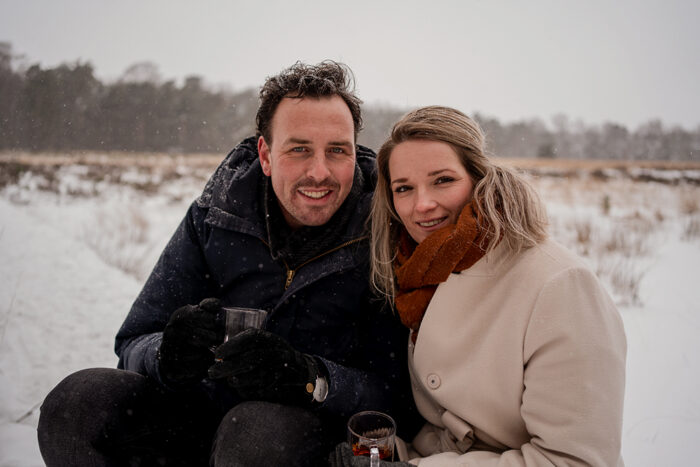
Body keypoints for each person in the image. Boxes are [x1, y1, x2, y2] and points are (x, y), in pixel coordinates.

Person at [37, 61, 420, 467]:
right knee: (76, 404)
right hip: (192, 419)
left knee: (257, 433)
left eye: (337, 150)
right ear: (266, 155)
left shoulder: (383, 234)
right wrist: (167, 355)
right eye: (299, 149)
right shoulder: (216, 216)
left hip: (304, 437)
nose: (320, 172)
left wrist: (311, 378)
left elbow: (399, 397)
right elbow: (133, 342)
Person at [331, 106, 626, 466]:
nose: (422, 205)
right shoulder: (417, 273)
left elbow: (574, 461)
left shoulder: (560, 285)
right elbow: (447, 434)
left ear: (479, 178)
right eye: (404, 188)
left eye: (443, 180)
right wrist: (379, 457)